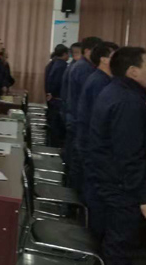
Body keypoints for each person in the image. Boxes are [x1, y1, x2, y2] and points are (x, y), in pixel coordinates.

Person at [87, 47, 146, 265]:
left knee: (113, 246)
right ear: (133, 71)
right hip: (120, 190)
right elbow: (129, 155)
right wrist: (145, 198)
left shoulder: (114, 91)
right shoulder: (128, 101)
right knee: (120, 251)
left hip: (109, 183)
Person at [77, 42, 118, 205]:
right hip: (91, 143)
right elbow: (99, 118)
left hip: (88, 141)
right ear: (104, 60)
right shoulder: (100, 81)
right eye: (114, 56)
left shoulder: (101, 78)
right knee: (93, 194)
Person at [66, 36, 102, 190]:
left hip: (74, 118)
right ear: (88, 51)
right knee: (77, 165)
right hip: (78, 120)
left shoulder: (82, 66)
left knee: (74, 162)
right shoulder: (84, 68)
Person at [45, 44, 69, 147]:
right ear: (64, 54)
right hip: (57, 99)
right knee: (56, 128)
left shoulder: (53, 63)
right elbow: (56, 82)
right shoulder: (61, 65)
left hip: (52, 98)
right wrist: (53, 93)